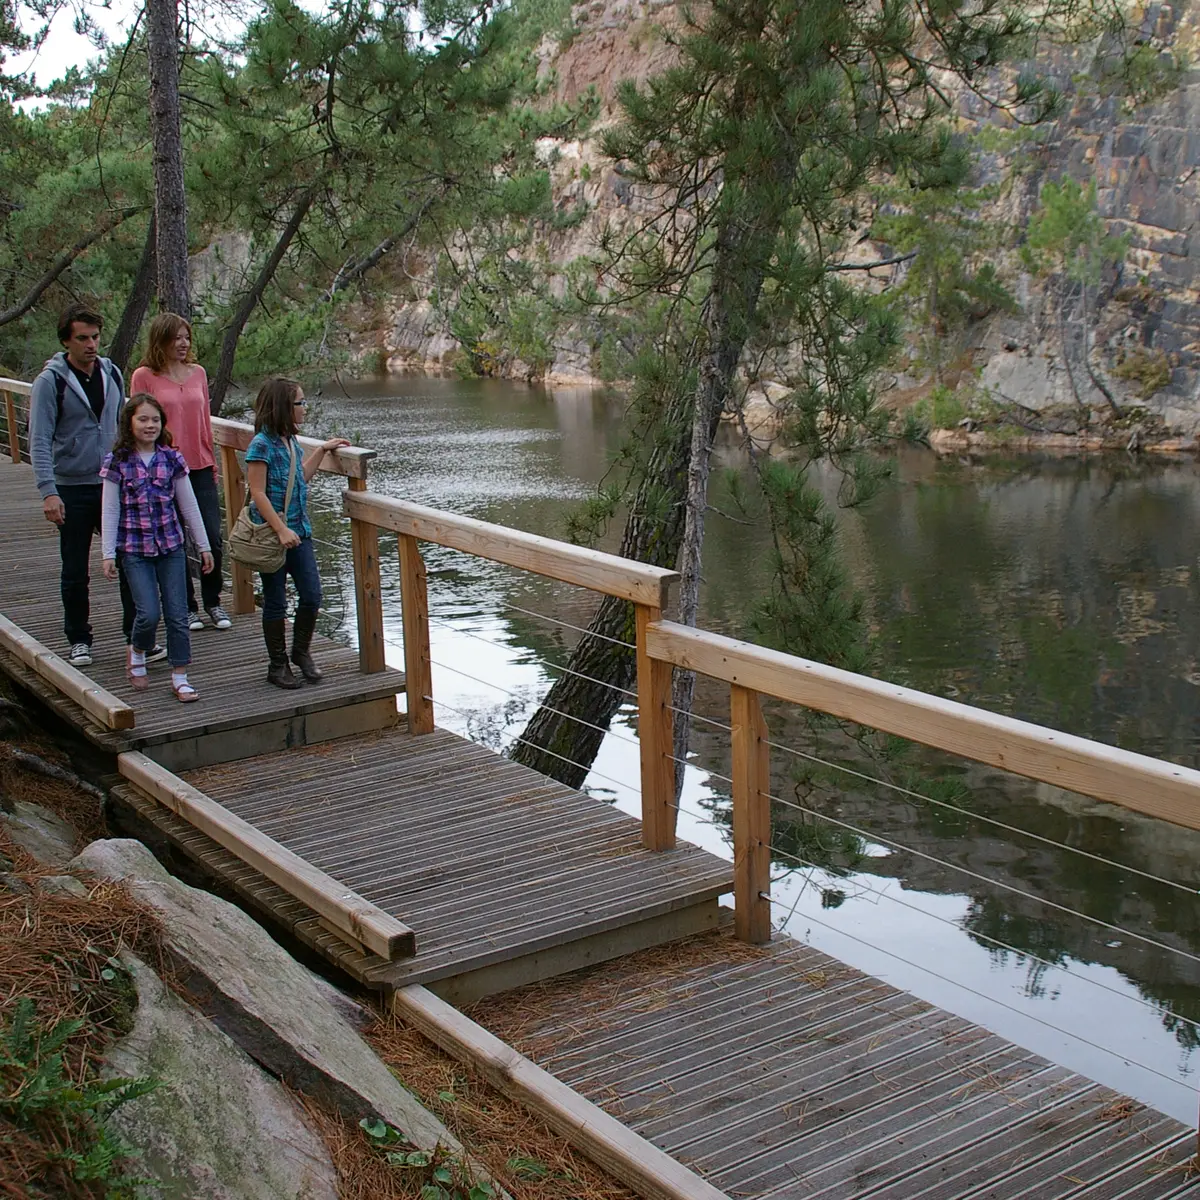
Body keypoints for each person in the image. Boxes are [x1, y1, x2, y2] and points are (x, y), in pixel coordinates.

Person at [28, 302, 148, 667]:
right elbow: (39, 438)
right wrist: (48, 490)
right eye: (82, 338)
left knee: (130, 560)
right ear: (67, 341)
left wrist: (134, 473)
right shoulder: (51, 382)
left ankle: (136, 636)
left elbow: (123, 425)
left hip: (112, 482)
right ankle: (79, 638)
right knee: (75, 567)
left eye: (95, 337)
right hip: (72, 486)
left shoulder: (110, 373)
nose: (91, 344)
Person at [100, 395, 213, 703]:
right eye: (142, 419)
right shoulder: (118, 462)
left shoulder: (171, 459)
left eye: (155, 420)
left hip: (171, 547)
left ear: (162, 424)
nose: (149, 425)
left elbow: (188, 505)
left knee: (178, 614)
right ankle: (137, 650)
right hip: (134, 549)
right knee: (148, 612)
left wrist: (204, 546)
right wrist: (108, 553)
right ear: (129, 423)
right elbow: (110, 509)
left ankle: (180, 676)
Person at [244, 378, 348, 689]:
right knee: (275, 600)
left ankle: (300, 652)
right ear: (283, 408)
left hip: (300, 532)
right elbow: (257, 492)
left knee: (312, 593)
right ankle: (278, 664)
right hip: (273, 535)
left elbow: (298, 479)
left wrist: (321, 451)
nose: (305, 408)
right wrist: (281, 529)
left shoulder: (290, 441)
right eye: (300, 403)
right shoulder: (261, 444)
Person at [130, 313, 230, 633]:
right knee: (173, 541)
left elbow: (204, 421)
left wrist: (212, 460)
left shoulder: (198, 373)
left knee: (211, 536)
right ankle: (186, 607)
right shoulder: (145, 376)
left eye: (186, 337)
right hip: (163, 469)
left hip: (199, 466)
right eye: (176, 338)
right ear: (161, 340)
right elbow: (138, 421)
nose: (183, 343)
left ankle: (213, 601)